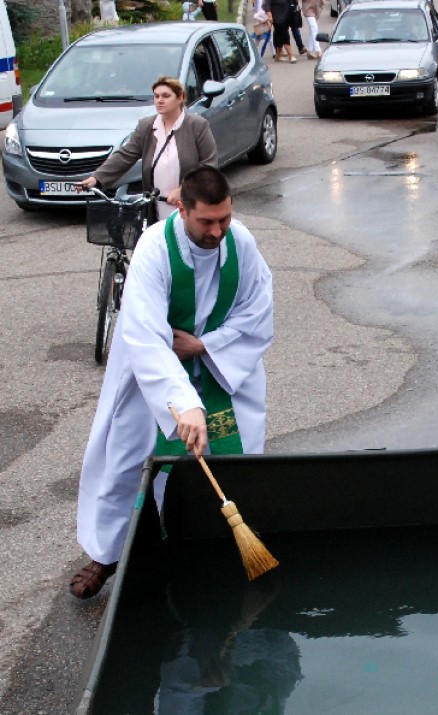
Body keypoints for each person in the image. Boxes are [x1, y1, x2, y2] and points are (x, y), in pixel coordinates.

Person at [71, 166, 275, 599]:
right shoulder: (154, 248)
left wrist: (204, 346)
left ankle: (225, 546)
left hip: (220, 367)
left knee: (234, 464)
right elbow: (145, 333)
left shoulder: (241, 242)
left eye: (224, 218)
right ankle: (107, 555)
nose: (217, 231)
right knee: (129, 460)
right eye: (207, 221)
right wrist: (183, 403)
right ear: (182, 209)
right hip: (156, 376)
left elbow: (258, 310)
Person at [77, 77, 218, 221]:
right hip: (158, 204)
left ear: (180, 97)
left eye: (166, 96)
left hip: (190, 204)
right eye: (156, 96)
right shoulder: (147, 126)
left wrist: (184, 190)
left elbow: (209, 165)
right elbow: (125, 155)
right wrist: (97, 178)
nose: (159, 100)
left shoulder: (197, 125)